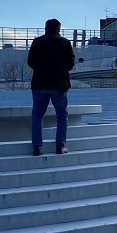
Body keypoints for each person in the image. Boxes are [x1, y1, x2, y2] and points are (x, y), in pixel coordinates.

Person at [27, 18, 75, 156]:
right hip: (59, 84)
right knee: (62, 116)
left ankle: (37, 147)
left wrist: (41, 69)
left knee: (37, 115)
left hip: (39, 83)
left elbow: (30, 62)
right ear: (59, 28)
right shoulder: (65, 42)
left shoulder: (37, 42)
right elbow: (70, 63)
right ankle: (60, 146)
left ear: (46, 28)